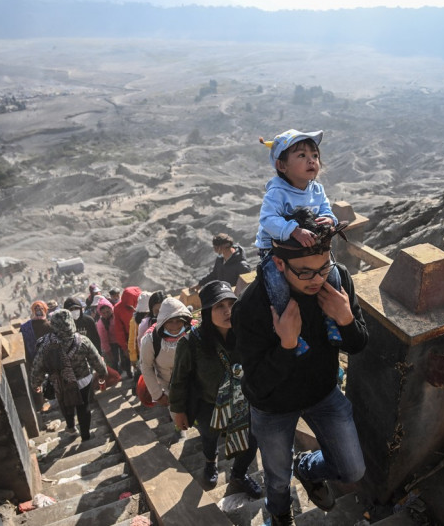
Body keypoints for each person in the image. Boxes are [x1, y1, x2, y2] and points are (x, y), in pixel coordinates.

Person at [232, 212, 369, 525]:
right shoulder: (252, 307)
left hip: (323, 391)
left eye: (324, 267)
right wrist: (287, 346)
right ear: (280, 263)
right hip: (273, 407)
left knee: (352, 470)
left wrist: (346, 319)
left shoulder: (337, 282)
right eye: (305, 273)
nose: (318, 279)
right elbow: (256, 386)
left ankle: (307, 467)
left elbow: (359, 344)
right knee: (278, 478)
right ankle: (280, 514)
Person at [170, 281, 262, 499]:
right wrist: (178, 411)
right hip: (208, 404)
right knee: (209, 438)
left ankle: (238, 475)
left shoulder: (244, 332)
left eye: (231, 304)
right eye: (220, 306)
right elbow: (179, 379)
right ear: (207, 311)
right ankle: (211, 462)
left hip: (242, 402)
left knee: (252, 441)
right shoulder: (192, 341)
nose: (227, 311)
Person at [256, 129, 344, 352]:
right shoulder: (277, 192)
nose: (311, 160)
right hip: (275, 251)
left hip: (310, 251)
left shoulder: (317, 189)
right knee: (276, 284)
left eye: (314, 155)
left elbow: (326, 210)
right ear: (282, 166)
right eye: (302, 156)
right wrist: (293, 230)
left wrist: (330, 220)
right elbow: (267, 219)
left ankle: (331, 319)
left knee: (333, 275)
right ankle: (287, 329)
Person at [30, 309, 108, 441]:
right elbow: (96, 360)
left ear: (53, 325)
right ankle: (86, 435)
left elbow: (38, 366)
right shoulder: (83, 340)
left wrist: (36, 383)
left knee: (66, 405)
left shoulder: (46, 344)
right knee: (84, 407)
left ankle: (71, 428)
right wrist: (102, 373)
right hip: (83, 380)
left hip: (61, 382)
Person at [139, 297, 192, 411]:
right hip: (171, 390)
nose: (175, 326)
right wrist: (158, 395)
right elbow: (146, 367)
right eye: (170, 321)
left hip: (196, 387)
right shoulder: (150, 340)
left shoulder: (192, 333)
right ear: (163, 322)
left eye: (178, 321)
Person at [19, 300, 53, 409]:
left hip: (33, 359)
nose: (38, 311)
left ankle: (41, 404)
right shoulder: (49, 325)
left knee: (38, 382)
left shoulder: (25, 328)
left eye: (40, 309)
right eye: (37, 309)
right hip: (49, 358)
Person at [111, 286, 141, 379]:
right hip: (130, 338)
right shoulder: (118, 308)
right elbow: (119, 329)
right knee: (133, 360)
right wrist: (124, 347)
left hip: (144, 335)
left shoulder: (142, 303)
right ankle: (133, 375)